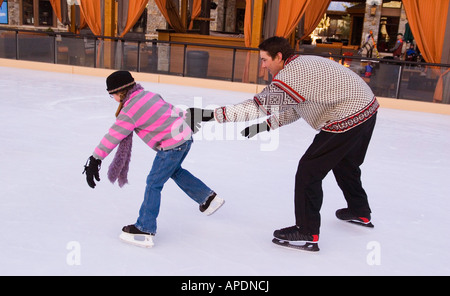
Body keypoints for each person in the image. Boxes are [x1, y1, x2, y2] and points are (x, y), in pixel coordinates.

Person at [210, 36, 379, 249]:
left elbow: (258, 107)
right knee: (345, 163)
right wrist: (264, 126)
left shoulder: (292, 75)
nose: (262, 65)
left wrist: (215, 115)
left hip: (348, 114)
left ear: (279, 57)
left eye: (264, 60)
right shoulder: (301, 66)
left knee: (309, 171)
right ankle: (359, 211)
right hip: (368, 109)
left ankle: (307, 231)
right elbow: (296, 108)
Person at [83, 70, 224, 248]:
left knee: (153, 183)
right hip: (185, 137)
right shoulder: (148, 95)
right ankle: (208, 198)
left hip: (172, 145)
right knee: (174, 171)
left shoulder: (130, 111)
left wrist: (95, 158)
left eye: (112, 95)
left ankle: (145, 227)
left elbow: (114, 135)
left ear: (119, 92)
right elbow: (172, 110)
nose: (113, 98)